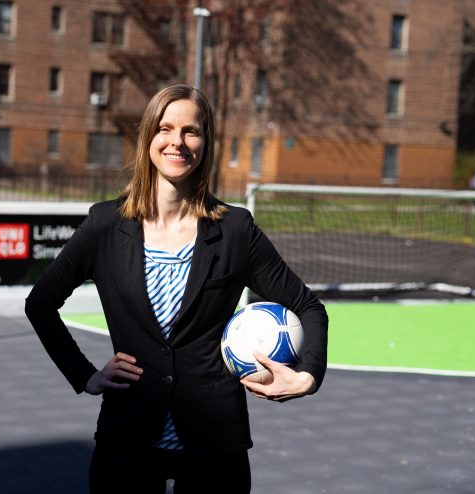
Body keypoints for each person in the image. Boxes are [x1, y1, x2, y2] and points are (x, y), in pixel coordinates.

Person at [25, 84, 328, 494]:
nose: (177, 142)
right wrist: (85, 376)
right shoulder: (105, 225)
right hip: (128, 436)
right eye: (165, 128)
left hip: (214, 443)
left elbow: (308, 306)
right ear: (149, 136)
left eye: (192, 131)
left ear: (206, 142)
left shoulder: (235, 229)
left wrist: (307, 375)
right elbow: (41, 304)